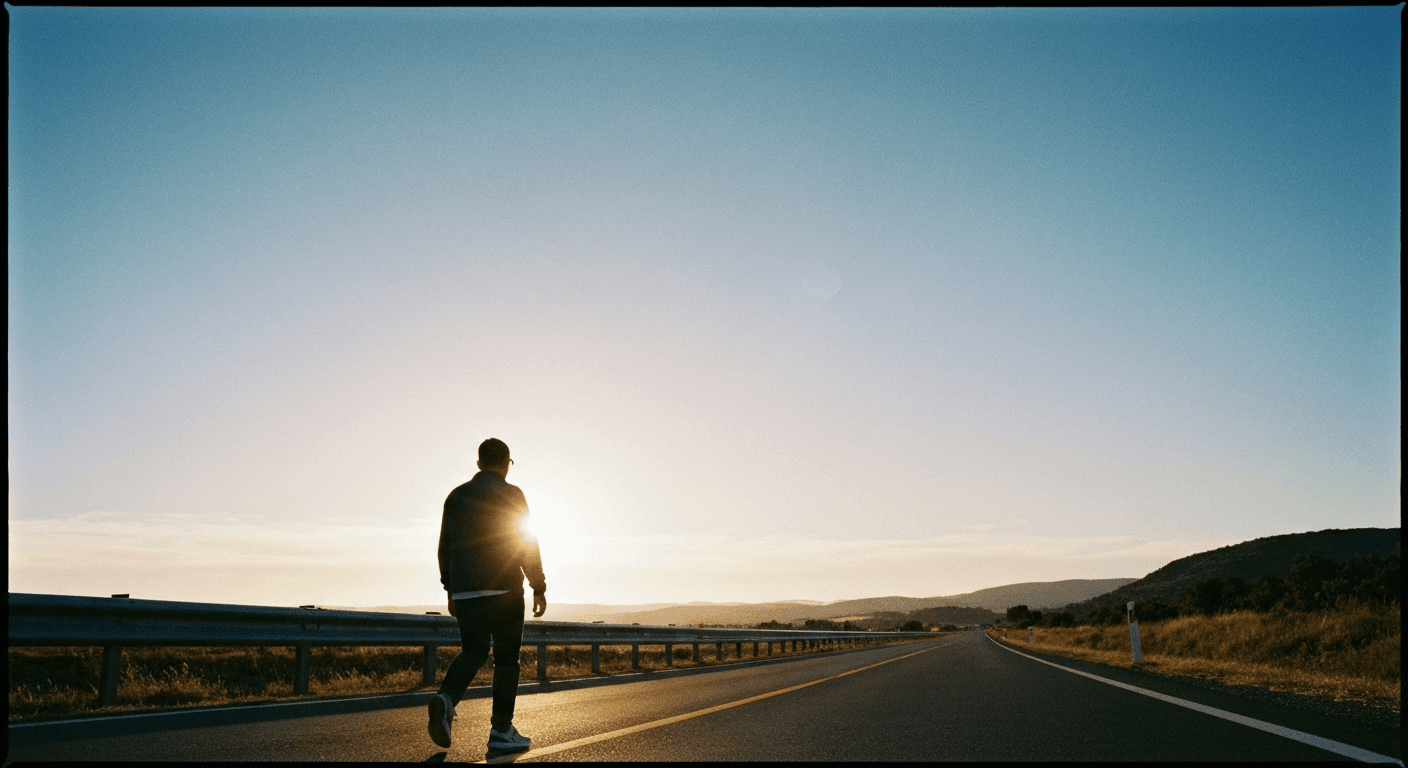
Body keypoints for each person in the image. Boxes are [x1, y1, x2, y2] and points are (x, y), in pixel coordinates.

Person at [428, 437, 547, 753]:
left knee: (474, 651)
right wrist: (538, 585)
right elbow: (526, 541)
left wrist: (451, 590)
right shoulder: (512, 494)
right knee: (506, 659)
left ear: (479, 463)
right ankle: (501, 731)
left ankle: (446, 698)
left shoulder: (455, 496)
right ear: (507, 464)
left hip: (465, 592)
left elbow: (444, 547)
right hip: (504, 589)